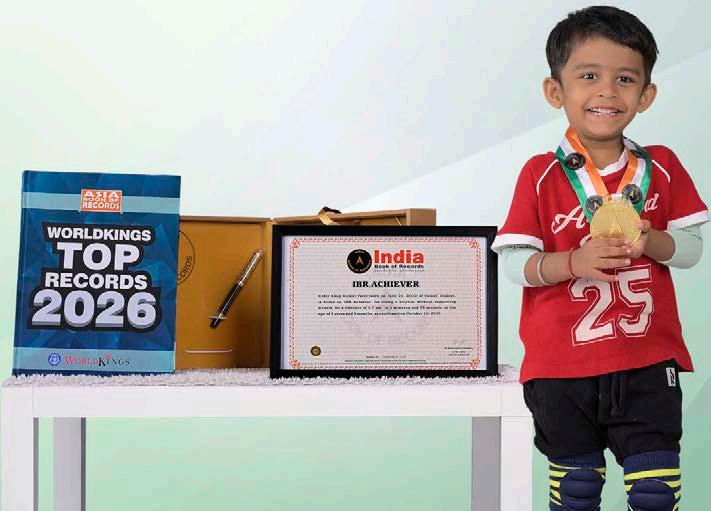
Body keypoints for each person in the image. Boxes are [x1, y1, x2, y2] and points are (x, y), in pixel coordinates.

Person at [491, 6, 708, 511]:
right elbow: (514, 263)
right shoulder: (539, 174)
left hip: (647, 359)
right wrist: (573, 262)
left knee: (656, 493)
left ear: (646, 95)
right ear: (555, 91)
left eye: (625, 79)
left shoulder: (662, 167)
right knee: (577, 491)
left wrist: (652, 241)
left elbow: (693, 251)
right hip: (559, 366)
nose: (607, 92)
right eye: (588, 76)